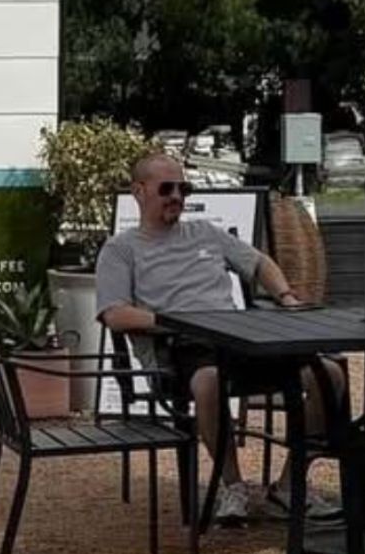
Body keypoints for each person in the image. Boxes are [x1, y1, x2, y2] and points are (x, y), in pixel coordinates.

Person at [97, 151, 347, 527]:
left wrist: (286, 297)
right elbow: (114, 314)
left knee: (329, 372)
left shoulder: (206, 232)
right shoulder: (121, 249)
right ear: (139, 191)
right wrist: (174, 322)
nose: (176, 197)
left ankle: (290, 483)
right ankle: (233, 485)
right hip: (178, 347)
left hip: (235, 337)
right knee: (209, 380)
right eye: (166, 189)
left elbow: (260, 263)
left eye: (184, 189)